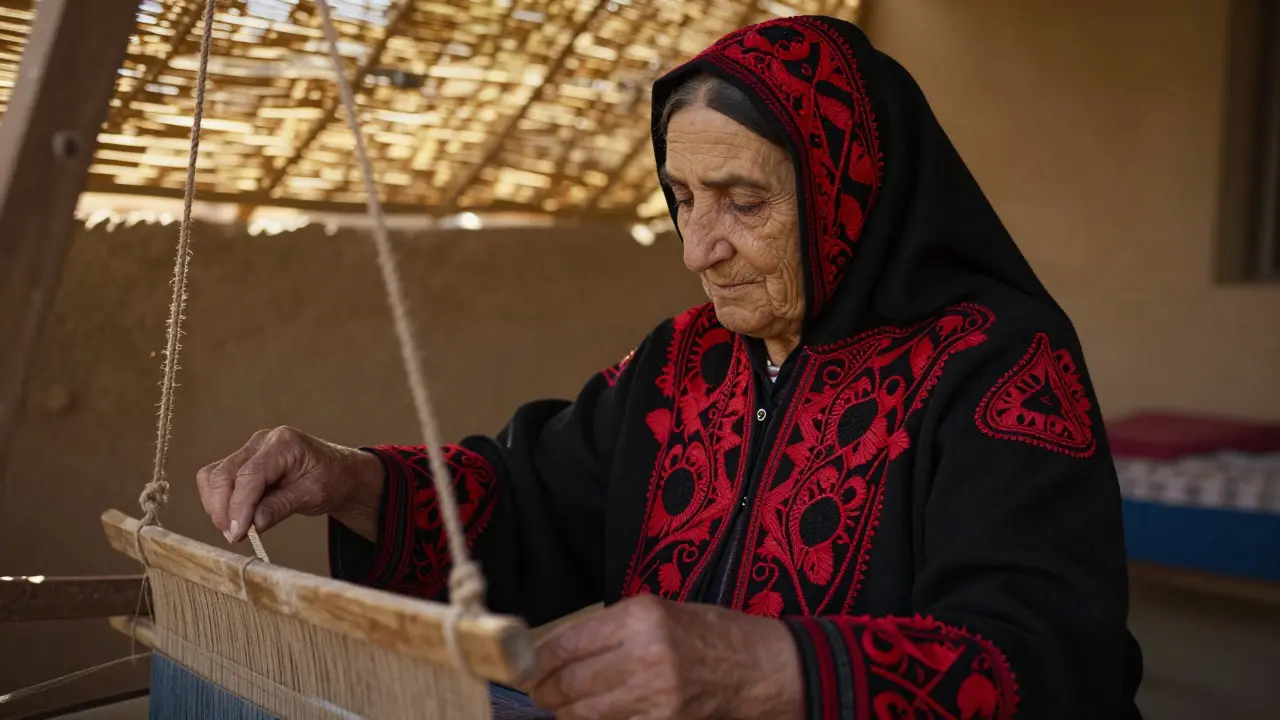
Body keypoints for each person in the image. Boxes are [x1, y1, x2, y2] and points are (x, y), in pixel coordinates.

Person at [197, 15, 1143, 720]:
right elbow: (531, 499)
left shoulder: (997, 366)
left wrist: (766, 667)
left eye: (743, 202)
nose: (699, 248)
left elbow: (1048, 654)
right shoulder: (687, 361)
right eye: (683, 197)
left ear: (849, 195)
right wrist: (354, 479)